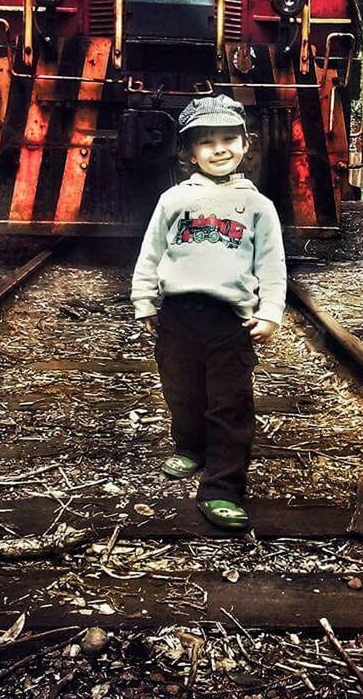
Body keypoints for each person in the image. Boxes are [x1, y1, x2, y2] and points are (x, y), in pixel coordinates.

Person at [130, 94, 287, 531]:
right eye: (207, 142)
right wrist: (144, 300)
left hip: (229, 320)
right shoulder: (173, 200)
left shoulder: (259, 206)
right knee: (181, 390)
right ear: (189, 152)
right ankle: (191, 447)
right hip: (177, 314)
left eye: (228, 139)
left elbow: (272, 266)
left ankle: (222, 487)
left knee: (229, 403)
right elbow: (151, 253)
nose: (219, 149)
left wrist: (271, 312)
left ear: (245, 143)